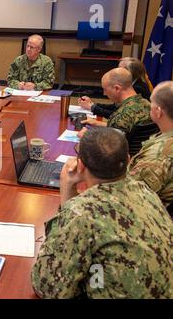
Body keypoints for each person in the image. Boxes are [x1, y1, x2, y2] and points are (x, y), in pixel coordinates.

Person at [31, 127, 173, 298]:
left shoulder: (83, 213)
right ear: (128, 160)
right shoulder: (145, 190)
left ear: (81, 165)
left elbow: (47, 287)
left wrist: (66, 185)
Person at [128, 81, 173, 213]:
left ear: (158, 111)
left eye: (151, 102)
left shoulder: (156, 158)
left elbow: (129, 200)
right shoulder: (164, 136)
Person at [78, 68, 152, 137]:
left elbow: (111, 144)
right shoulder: (146, 103)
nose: (104, 93)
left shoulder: (123, 113)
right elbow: (123, 129)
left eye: (105, 89)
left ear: (117, 88)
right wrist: (97, 123)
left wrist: (88, 135)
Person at [79, 57, 151, 118]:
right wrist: (92, 104)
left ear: (130, 72)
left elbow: (116, 115)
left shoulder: (137, 89)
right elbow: (115, 107)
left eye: (120, 69)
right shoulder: (132, 84)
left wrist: (92, 107)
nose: (116, 71)